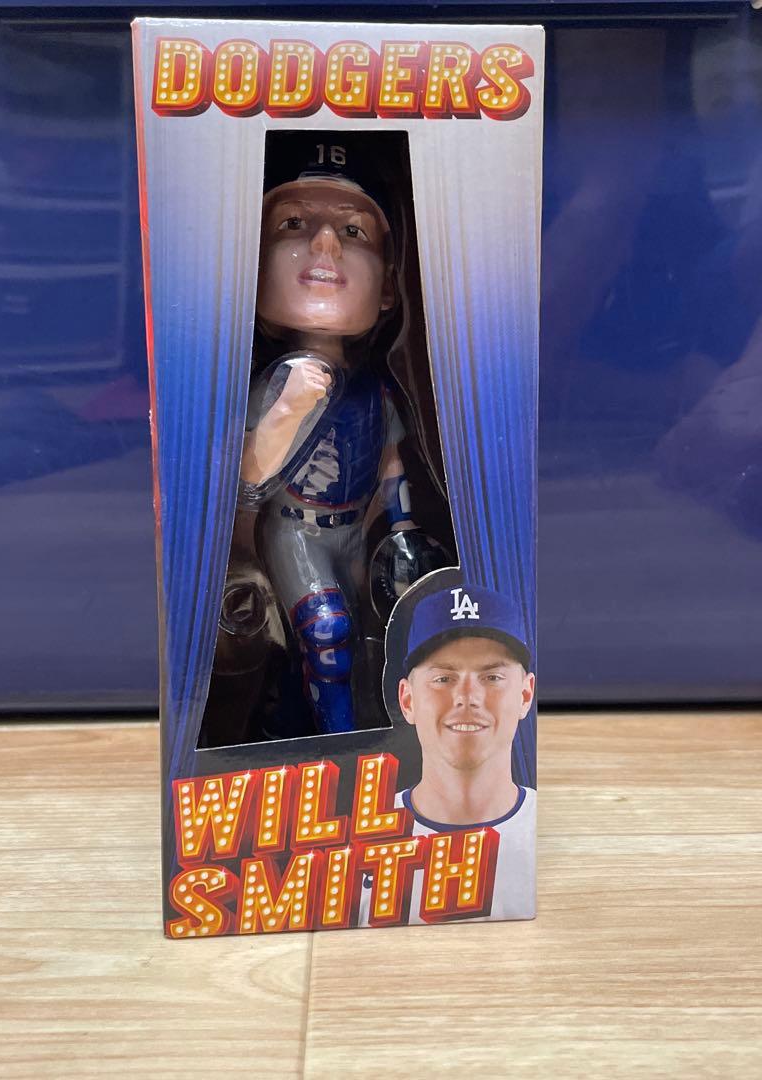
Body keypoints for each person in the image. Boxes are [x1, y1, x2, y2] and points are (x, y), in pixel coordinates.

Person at [238, 135, 418, 735]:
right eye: (293, 224)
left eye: (352, 231)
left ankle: (307, 720)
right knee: (326, 629)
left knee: (369, 631)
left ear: (389, 286)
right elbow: (249, 477)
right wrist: (288, 409)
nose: (323, 244)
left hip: (353, 532)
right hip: (296, 528)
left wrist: (403, 528)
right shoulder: (279, 382)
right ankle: (339, 743)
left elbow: (390, 462)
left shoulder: (374, 388)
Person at [362, 579, 537, 923]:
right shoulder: (358, 850)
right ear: (407, 700)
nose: (467, 696)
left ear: (525, 695)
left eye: (492, 677)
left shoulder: (544, 839)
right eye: (443, 678)